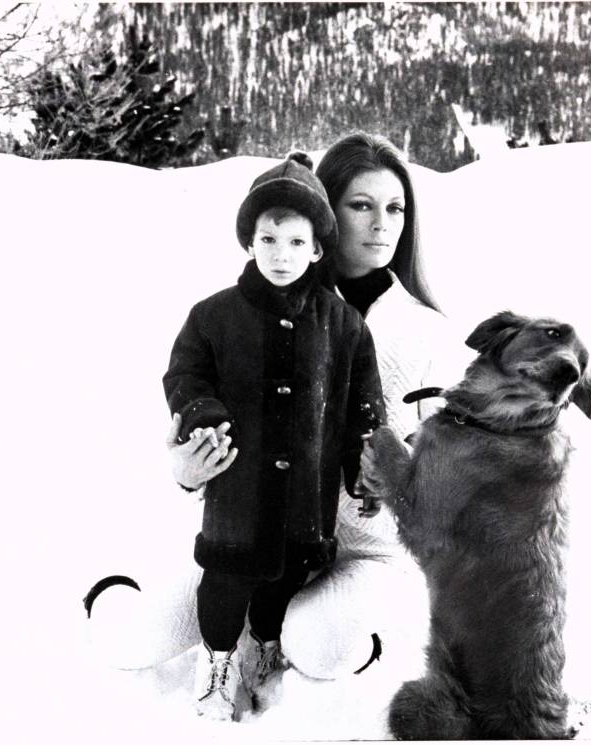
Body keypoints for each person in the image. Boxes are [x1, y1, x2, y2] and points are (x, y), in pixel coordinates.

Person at [169, 133, 467, 693]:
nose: (383, 224)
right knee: (150, 634)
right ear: (325, 212)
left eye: (396, 208)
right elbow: (194, 405)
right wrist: (187, 472)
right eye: (362, 205)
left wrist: (397, 471)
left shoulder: (428, 333)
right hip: (253, 529)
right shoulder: (258, 307)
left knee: (313, 643)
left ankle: (377, 649)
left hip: (366, 553)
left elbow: (452, 486)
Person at [163, 151, 386, 720]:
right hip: (237, 490)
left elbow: (364, 405)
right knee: (224, 582)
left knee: (281, 581)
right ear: (249, 243)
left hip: (303, 497)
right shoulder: (213, 316)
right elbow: (185, 372)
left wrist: (366, 468)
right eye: (268, 240)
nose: (280, 255)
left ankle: (263, 646)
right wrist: (199, 411)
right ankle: (216, 662)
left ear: (316, 249)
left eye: (295, 242)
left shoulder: (344, 326)